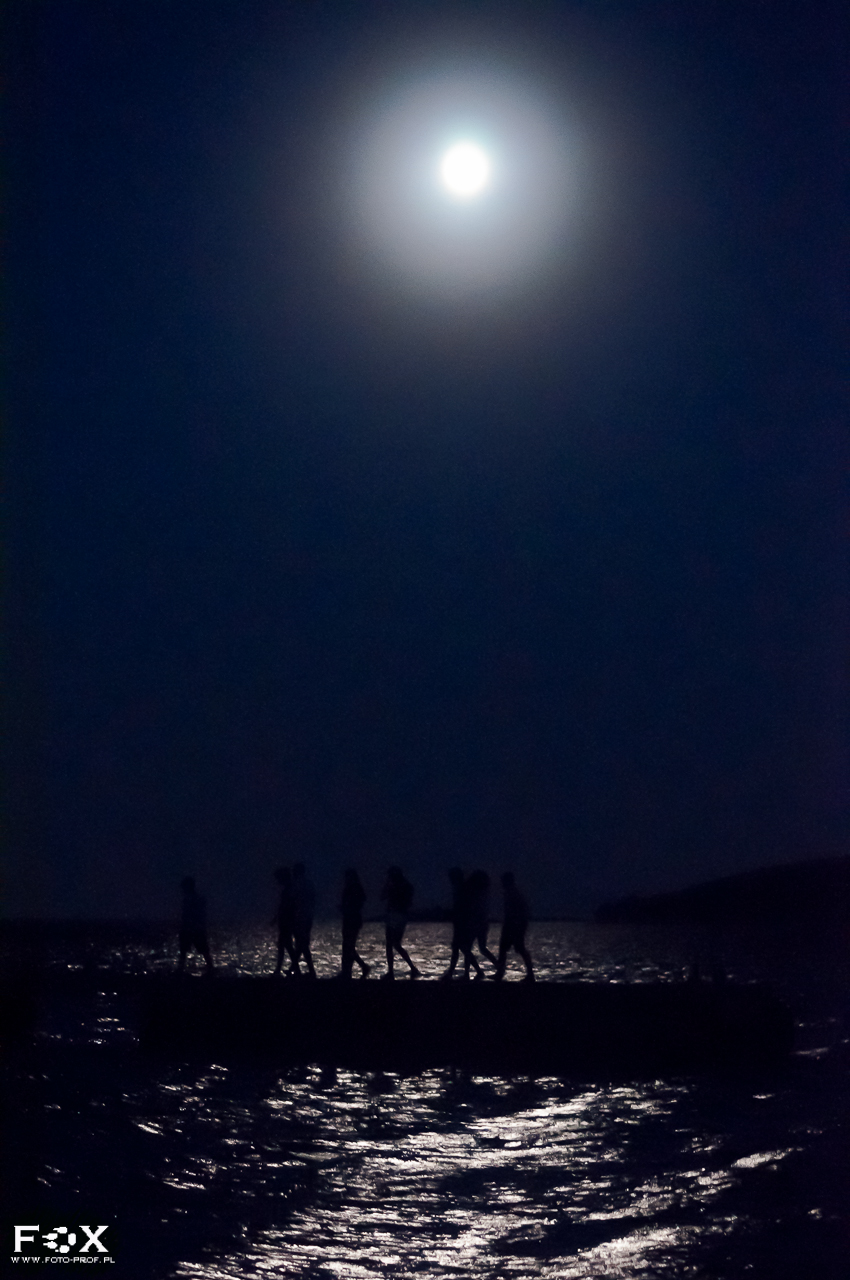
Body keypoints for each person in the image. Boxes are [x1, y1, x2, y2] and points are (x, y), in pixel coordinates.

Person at [380, 866, 421, 980]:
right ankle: (410, 969)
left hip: (396, 916)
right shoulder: (406, 885)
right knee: (394, 944)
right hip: (399, 916)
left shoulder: (398, 886)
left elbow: (382, 896)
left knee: (392, 944)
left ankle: (393, 972)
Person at [441, 868, 482, 980]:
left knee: (460, 948)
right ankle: (469, 973)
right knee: (463, 948)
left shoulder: (462, 890)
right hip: (462, 922)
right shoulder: (463, 889)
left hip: (462, 923)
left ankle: (455, 973)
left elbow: (462, 908)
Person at [495, 871, 534, 982]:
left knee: (516, 949)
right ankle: (501, 973)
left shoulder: (512, 894)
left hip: (513, 925)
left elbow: (515, 912)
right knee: (509, 949)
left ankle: (529, 974)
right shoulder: (512, 893)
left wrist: (514, 925)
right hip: (514, 925)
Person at [178, 876, 214, 973]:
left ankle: (180, 971)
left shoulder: (189, 900)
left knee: (184, 951)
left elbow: (186, 915)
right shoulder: (198, 899)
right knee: (203, 951)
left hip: (191, 928)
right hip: (196, 929)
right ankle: (211, 969)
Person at [339, 868, 370, 979]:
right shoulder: (356, 888)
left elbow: (354, 904)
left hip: (351, 919)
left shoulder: (352, 888)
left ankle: (349, 971)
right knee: (348, 946)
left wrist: (345, 908)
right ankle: (347, 971)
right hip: (353, 919)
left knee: (348, 946)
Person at [467, 869, 498, 972]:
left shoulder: (478, 894)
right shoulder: (484, 893)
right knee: (482, 949)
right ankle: (498, 966)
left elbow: (475, 910)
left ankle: (471, 973)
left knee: (469, 948)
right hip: (483, 924)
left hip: (477, 923)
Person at [291, 862, 317, 978]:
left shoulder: (296, 885)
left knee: (301, 944)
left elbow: (293, 902)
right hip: (308, 916)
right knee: (303, 944)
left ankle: (298, 969)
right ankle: (300, 969)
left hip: (299, 917)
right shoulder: (309, 884)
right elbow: (313, 899)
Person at [272, 866, 297, 977]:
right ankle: (293, 969)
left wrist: (276, 918)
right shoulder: (290, 889)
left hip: (286, 921)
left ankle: (281, 970)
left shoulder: (288, 890)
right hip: (287, 921)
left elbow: (284, 906)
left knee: (285, 945)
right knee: (285, 945)